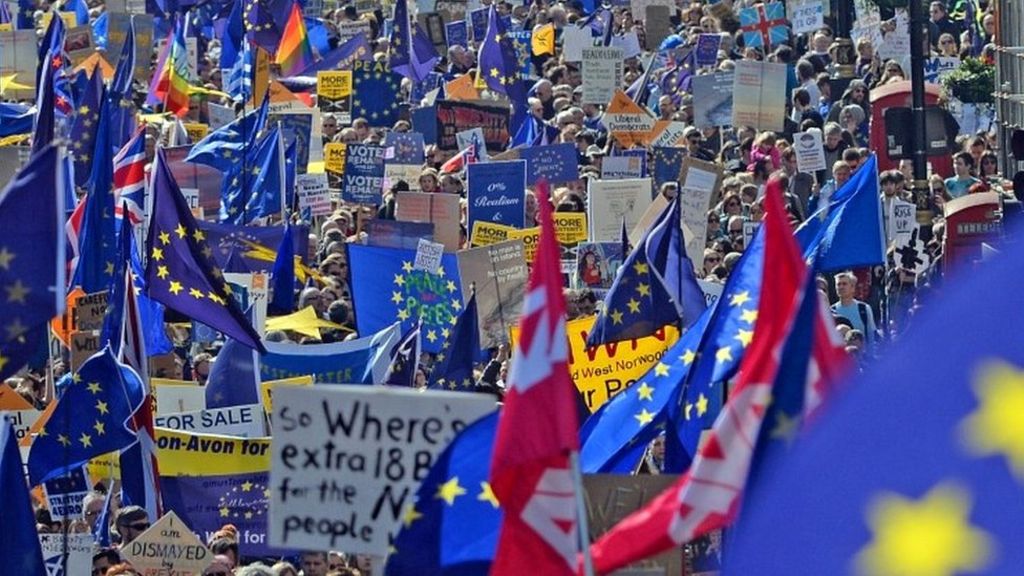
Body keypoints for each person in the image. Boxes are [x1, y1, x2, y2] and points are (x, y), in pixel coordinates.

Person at [831, 271, 877, 347]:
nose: (841, 287)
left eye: (844, 284)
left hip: (862, 356)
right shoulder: (832, 311)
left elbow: (871, 337)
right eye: (838, 284)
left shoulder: (864, 309)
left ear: (852, 288)